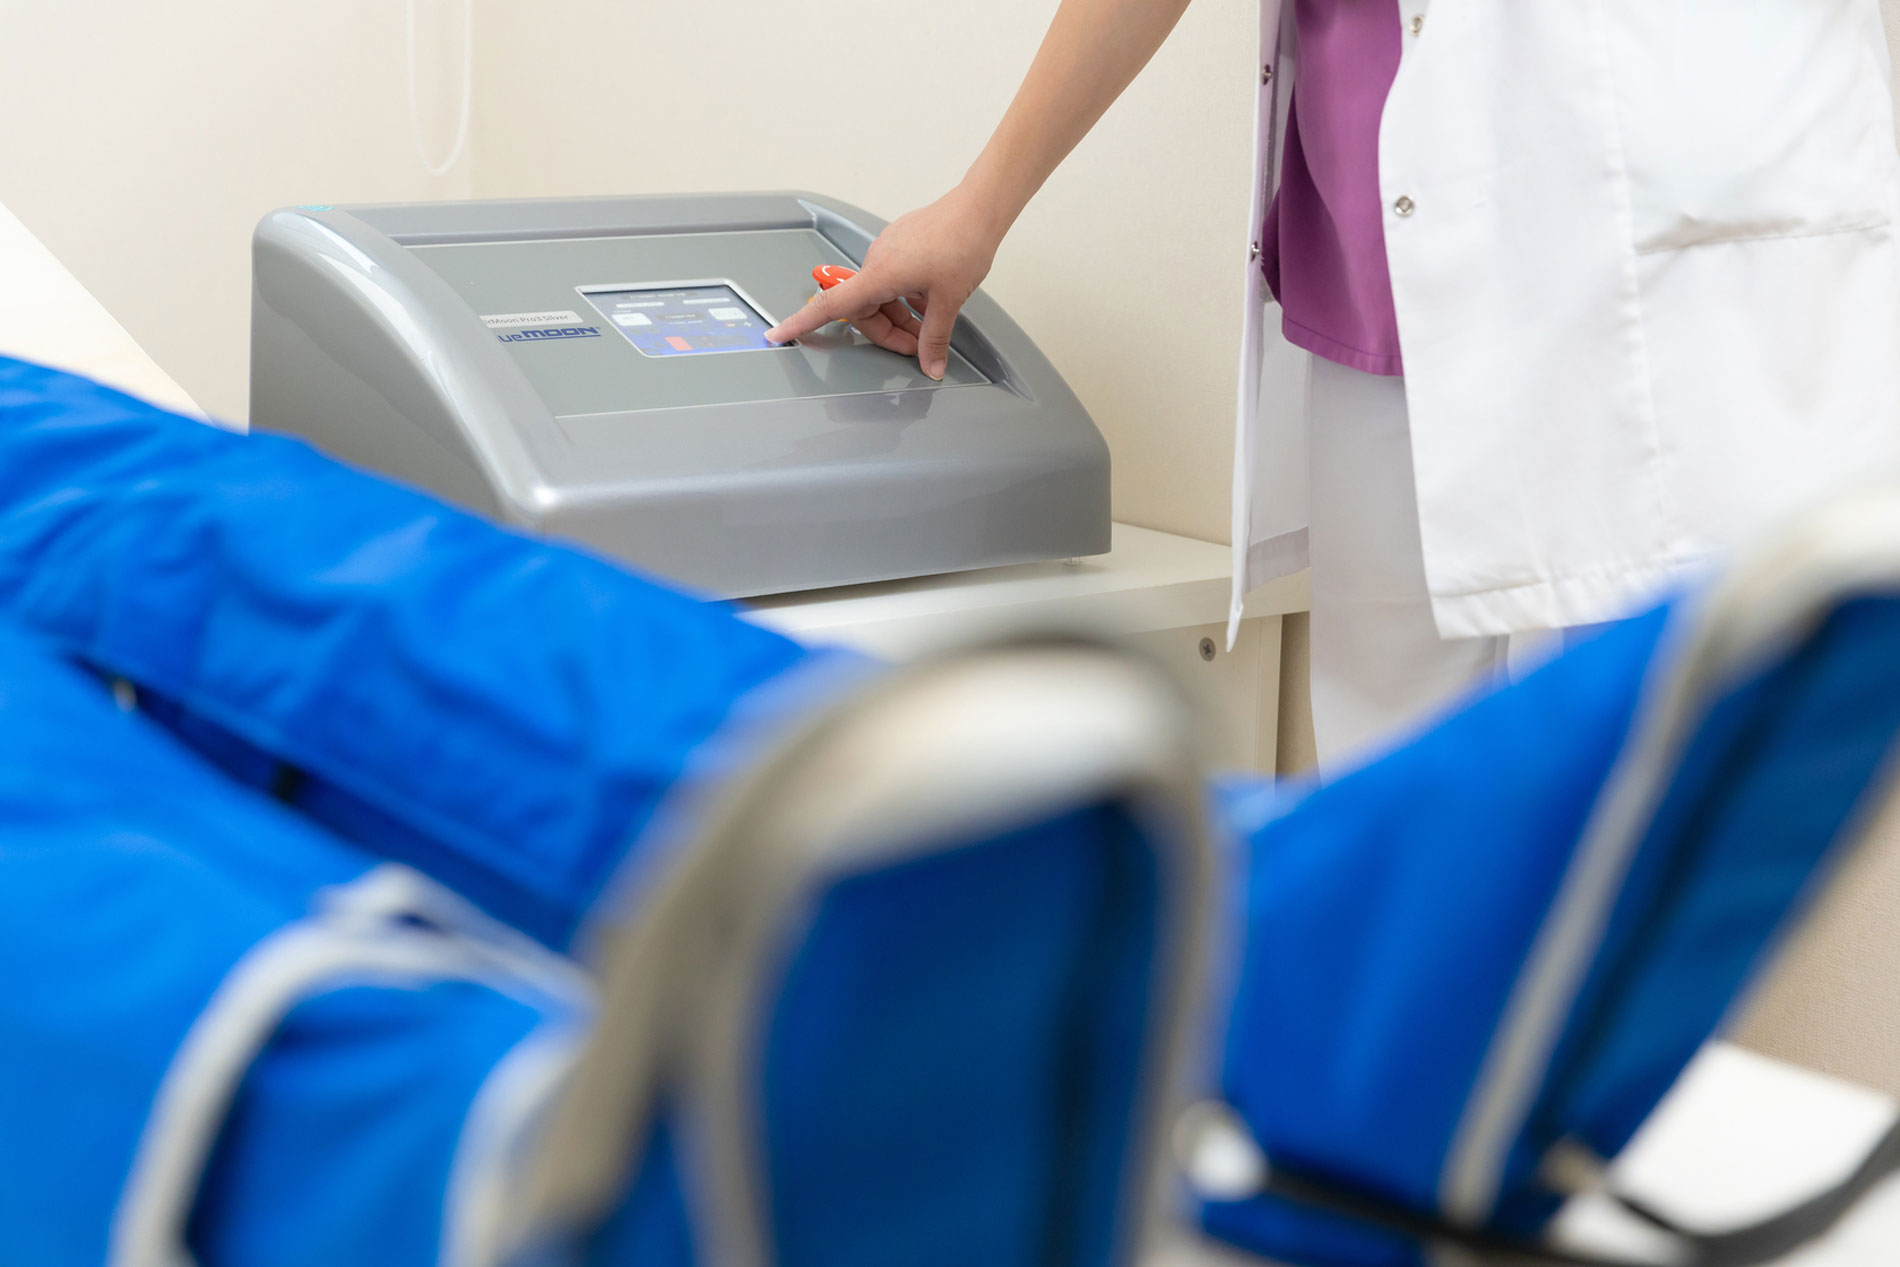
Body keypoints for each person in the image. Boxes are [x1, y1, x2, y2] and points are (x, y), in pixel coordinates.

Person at [766, 0, 1900, 768]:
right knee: (1390, 800)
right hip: (1383, 260)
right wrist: (979, 208)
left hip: (1638, 264)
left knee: (1625, 812)